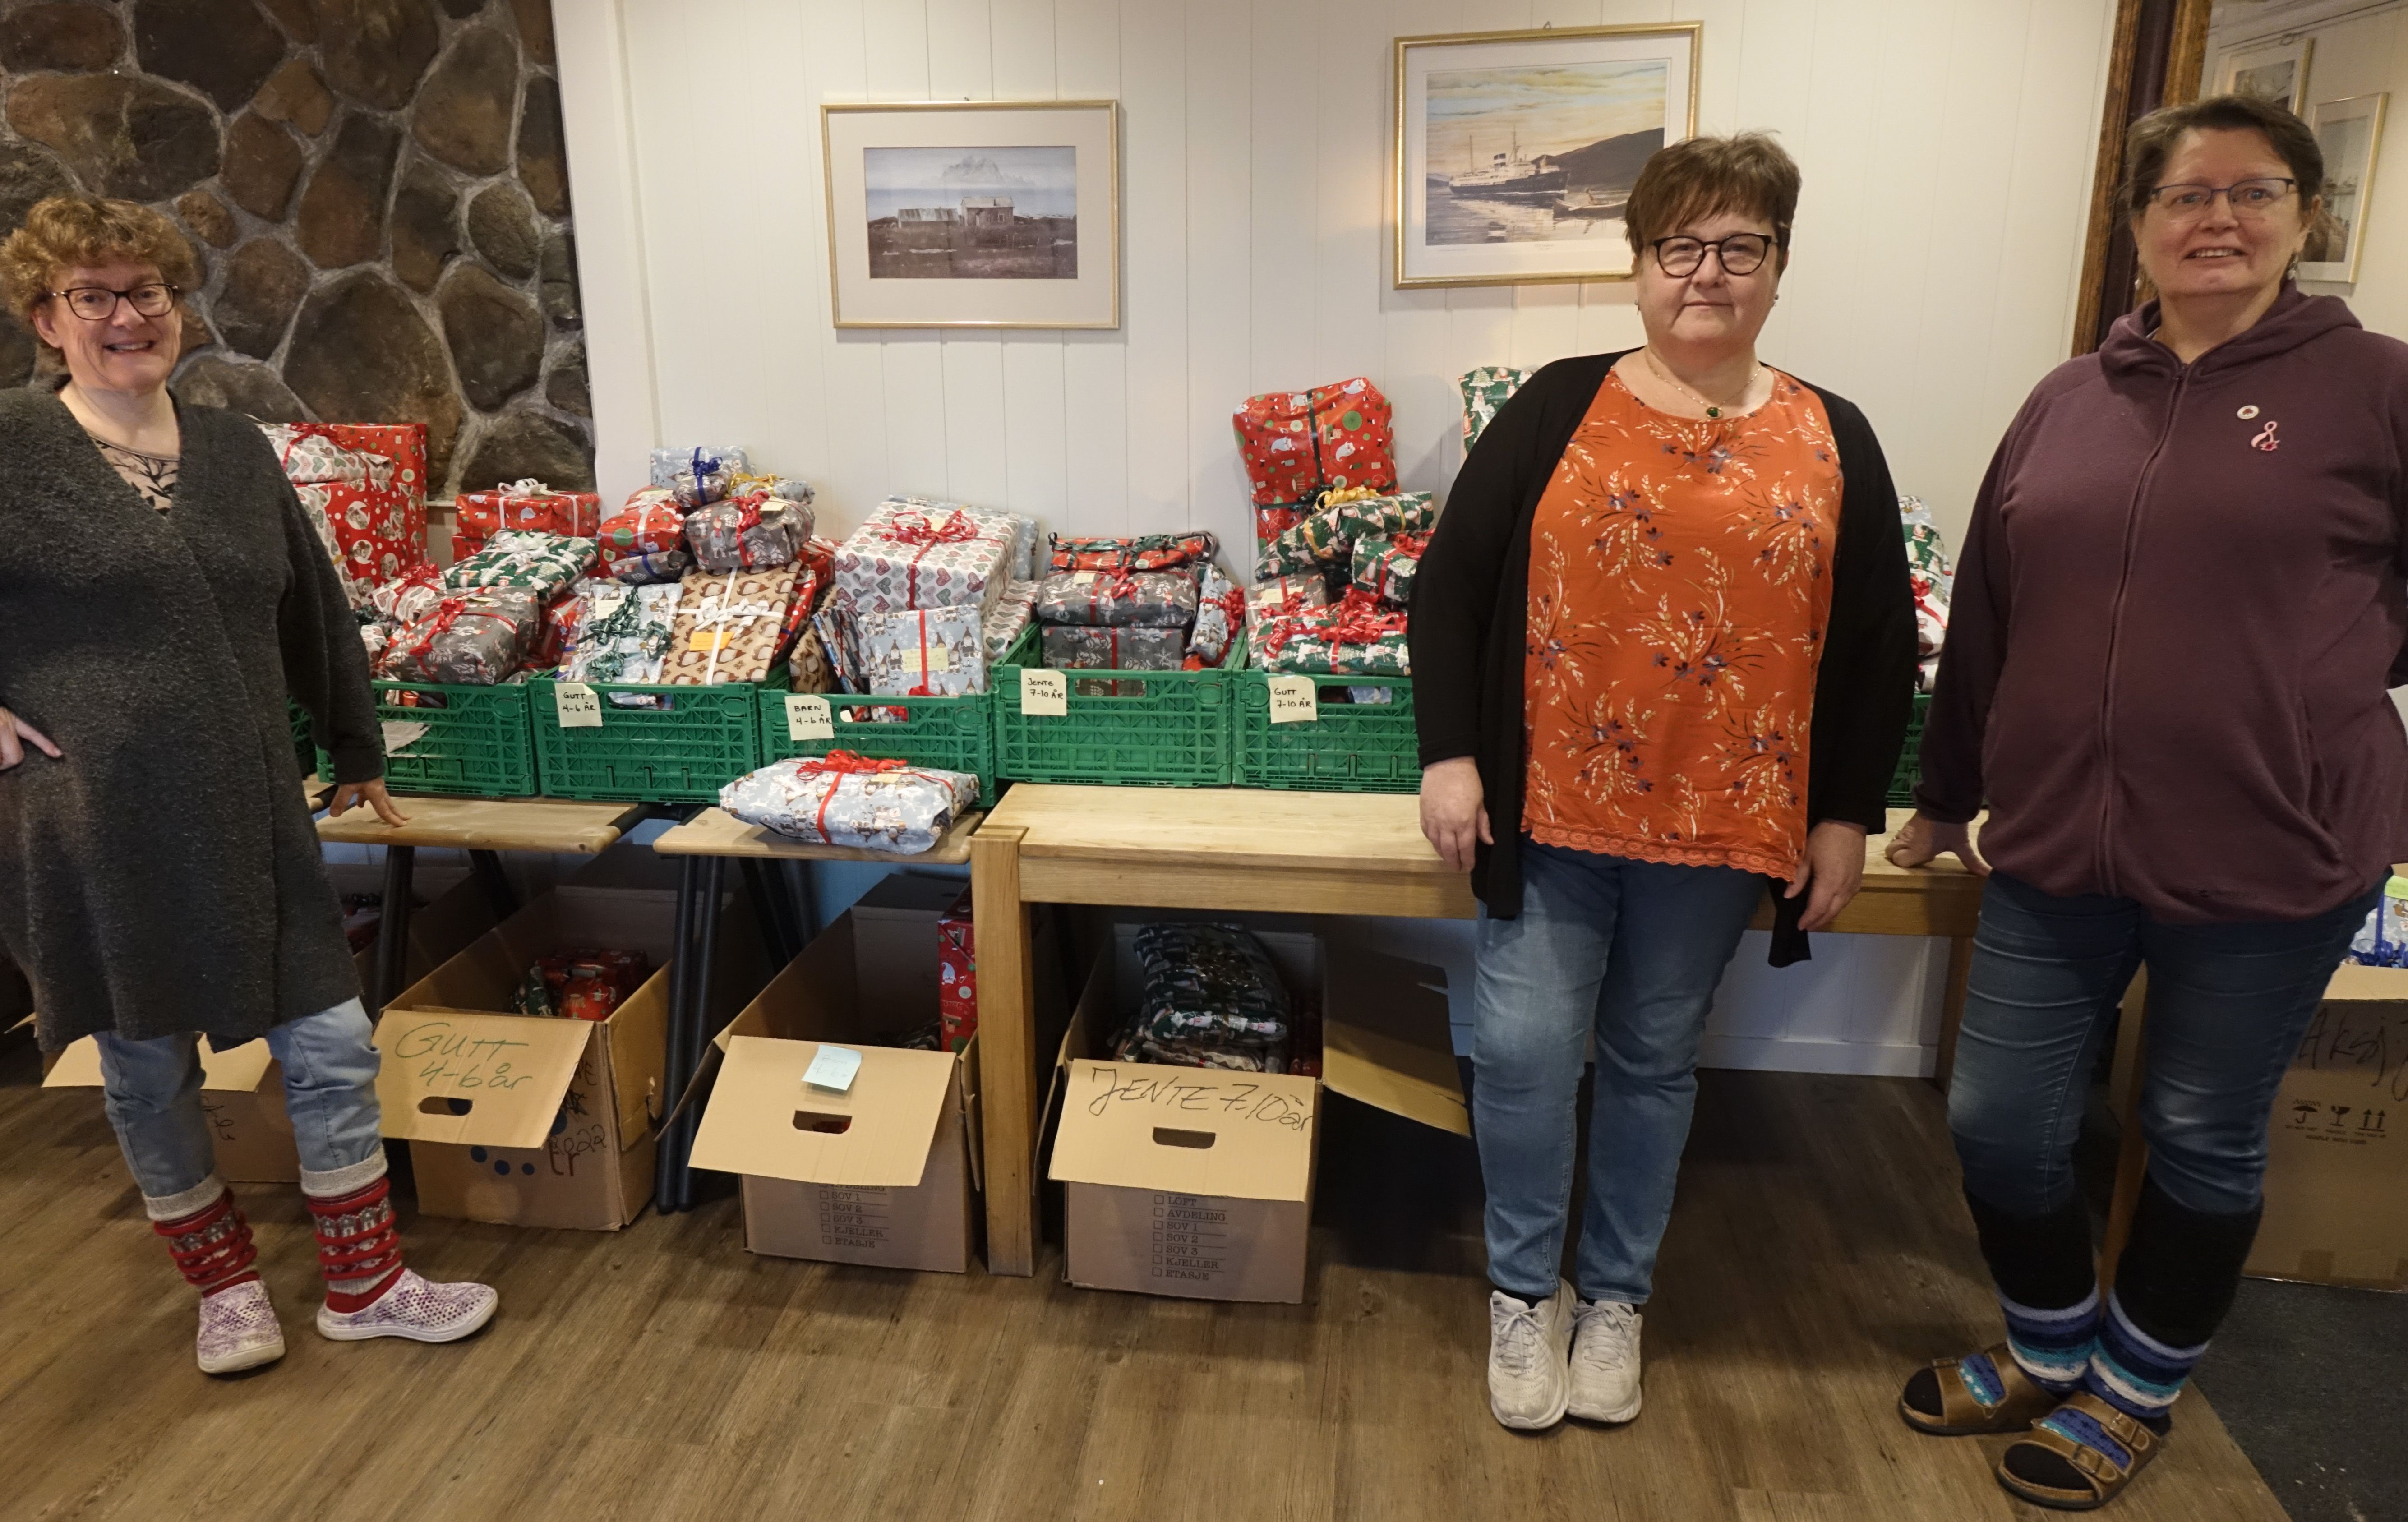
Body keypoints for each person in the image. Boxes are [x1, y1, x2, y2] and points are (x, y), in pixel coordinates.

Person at [1885, 93, 2408, 1509]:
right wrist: (1945, 794)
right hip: (2057, 839)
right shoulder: (2066, 400)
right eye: (2183, 195)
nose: (2216, 219)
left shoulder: (2377, 388)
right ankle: (2049, 1344)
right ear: (2137, 226)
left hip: (2274, 844)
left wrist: (2314, 688)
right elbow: (1987, 613)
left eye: (2253, 191)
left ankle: (2135, 1390)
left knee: (2194, 1130)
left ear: (2305, 216)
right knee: (1998, 1120)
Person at [1410, 133, 1919, 1433]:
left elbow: (1875, 642)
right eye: (1679, 246)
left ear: (1778, 267)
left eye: (1740, 247)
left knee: (1650, 1062)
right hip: (1551, 810)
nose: (1708, 273)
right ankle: (1523, 1293)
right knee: (1523, 1055)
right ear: (1639, 265)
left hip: (1724, 821)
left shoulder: (1832, 434)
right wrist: (1450, 753)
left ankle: (1615, 1299)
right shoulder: (1557, 406)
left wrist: (1844, 816)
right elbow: (1452, 586)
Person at [0, 194, 497, 1375]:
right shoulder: (13, 448)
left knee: (330, 1042)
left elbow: (311, 605)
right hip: (97, 817)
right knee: (147, 1062)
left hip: (250, 803)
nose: (129, 316)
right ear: (47, 319)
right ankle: (225, 1290)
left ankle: (365, 1284)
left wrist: (357, 746)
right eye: (93, 296)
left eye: (148, 291)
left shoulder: (232, 450)